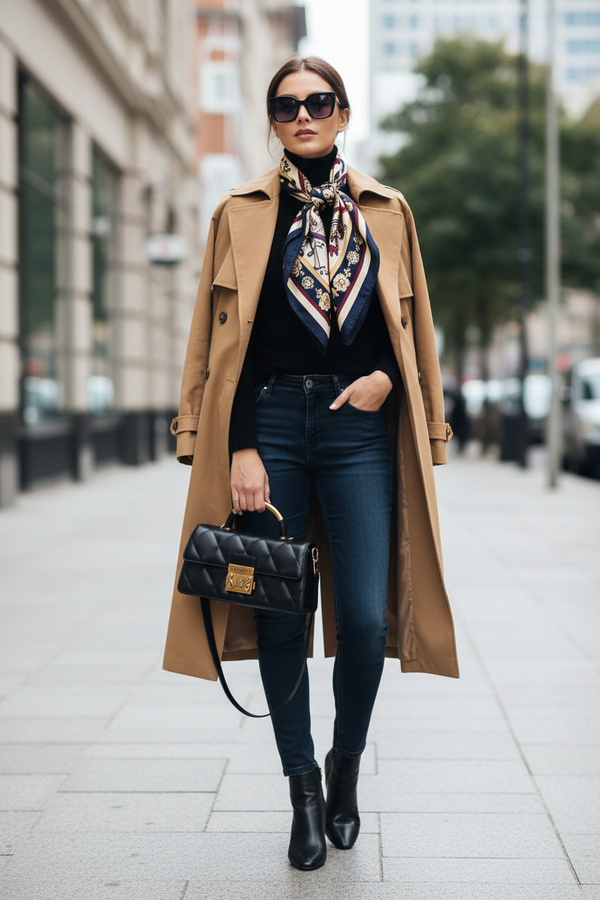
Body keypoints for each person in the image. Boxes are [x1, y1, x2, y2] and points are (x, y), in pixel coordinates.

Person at [163, 57, 459, 872]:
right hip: (269, 424)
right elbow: (219, 340)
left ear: (342, 113)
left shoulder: (387, 211)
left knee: (364, 618)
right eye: (287, 105)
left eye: (318, 102)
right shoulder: (239, 211)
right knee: (279, 610)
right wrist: (235, 446)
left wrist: (390, 380)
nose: (303, 115)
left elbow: (411, 327)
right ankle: (301, 786)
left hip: (358, 424)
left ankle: (344, 765)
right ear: (273, 120)